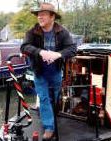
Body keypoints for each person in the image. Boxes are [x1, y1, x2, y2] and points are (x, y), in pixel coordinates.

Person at [20, 2, 76, 140]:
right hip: (39, 72)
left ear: (52, 17)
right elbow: (24, 47)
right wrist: (40, 52)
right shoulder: (32, 31)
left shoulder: (62, 32)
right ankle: (49, 127)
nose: (40, 17)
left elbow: (72, 49)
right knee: (44, 98)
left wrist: (58, 55)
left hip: (56, 71)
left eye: (43, 15)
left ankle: (52, 116)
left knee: (55, 98)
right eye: (38, 15)